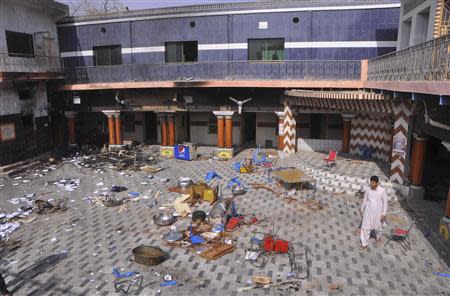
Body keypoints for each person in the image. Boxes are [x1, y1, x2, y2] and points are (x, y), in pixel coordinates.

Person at [360, 175, 387, 250]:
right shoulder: (368, 190)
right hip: (368, 212)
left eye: (373, 183)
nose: (372, 184)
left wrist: (384, 214)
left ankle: (378, 237)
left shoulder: (382, 191)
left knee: (378, 228)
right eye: (371, 182)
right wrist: (362, 209)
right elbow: (365, 200)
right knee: (365, 227)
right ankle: (364, 243)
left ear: (377, 183)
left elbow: (385, 203)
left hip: (378, 213)